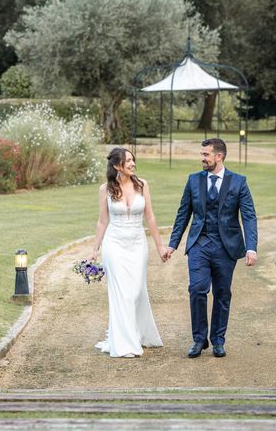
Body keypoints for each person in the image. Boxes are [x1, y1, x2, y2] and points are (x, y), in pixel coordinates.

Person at [165, 138, 258, 358]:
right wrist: (173, 243)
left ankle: (218, 340)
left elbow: (249, 216)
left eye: (206, 154)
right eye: (202, 154)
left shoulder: (239, 182)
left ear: (219, 156)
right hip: (200, 243)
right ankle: (199, 339)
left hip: (226, 247)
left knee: (222, 293)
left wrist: (251, 247)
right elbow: (183, 214)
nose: (202, 159)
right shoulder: (193, 180)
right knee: (197, 289)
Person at [90, 147, 166, 358]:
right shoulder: (105, 189)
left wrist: (159, 247)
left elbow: (150, 217)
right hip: (114, 245)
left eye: (133, 160)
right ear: (116, 165)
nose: (133, 164)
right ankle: (125, 343)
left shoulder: (142, 185)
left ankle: (136, 333)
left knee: (135, 292)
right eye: (128, 161)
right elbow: (103, 220)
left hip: (137, 244)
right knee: (121, 293)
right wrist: (94, 249)